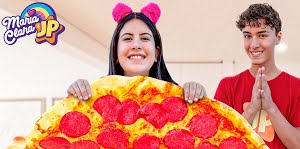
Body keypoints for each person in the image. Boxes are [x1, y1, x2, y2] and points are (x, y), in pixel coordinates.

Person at [214, 3, 300, 149]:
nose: (254, 44)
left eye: (262, 35)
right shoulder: (227, 86)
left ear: (278, 37)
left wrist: (271, 107)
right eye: (247, 36)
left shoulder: (299, 88)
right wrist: (252, 110)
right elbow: (220, 145)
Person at [68, 2, 206, 104]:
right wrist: (74, 100)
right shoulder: (94, 96)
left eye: (145, 38)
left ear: (157, 53)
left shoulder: (179, 97)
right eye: (128, 38)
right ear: (115, 53)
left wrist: (199, 100)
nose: (136, 45)